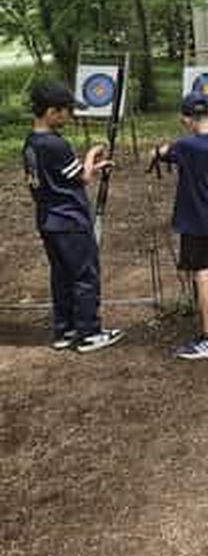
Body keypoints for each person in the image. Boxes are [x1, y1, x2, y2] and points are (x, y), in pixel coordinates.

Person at [22, 81, 124, 352]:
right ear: (52, 112)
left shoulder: (31, 142)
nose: (70, 116)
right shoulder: (55, 144)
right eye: (67, 111)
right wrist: (91, 156)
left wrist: (92, 166)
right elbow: (82, 178)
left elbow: (60, 176)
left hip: (48, 221)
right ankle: (89, 333)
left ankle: (65, 330)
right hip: (70, 221)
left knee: (62, 277)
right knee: (84, 275)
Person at [152, 93, 208, 360]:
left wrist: (159, 151)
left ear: (186, 120)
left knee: (202, 272)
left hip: (197, 220)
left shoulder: (186, 146)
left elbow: (162, 153)